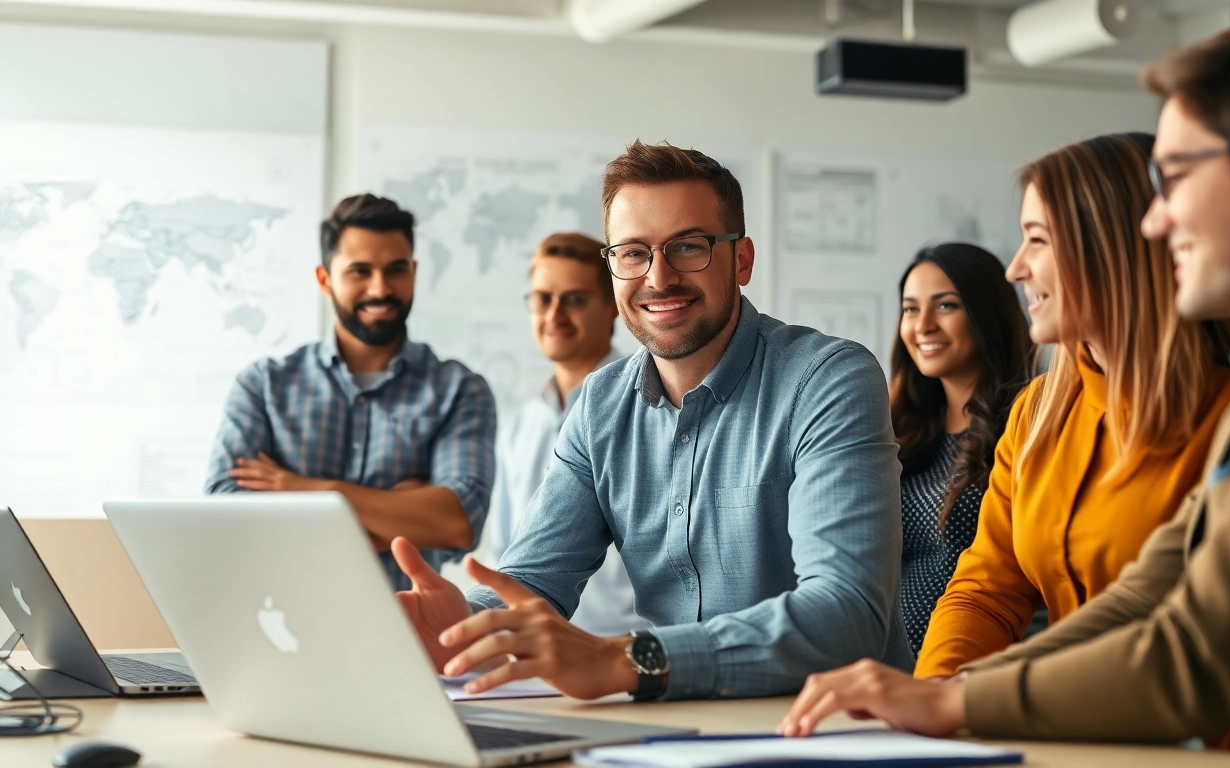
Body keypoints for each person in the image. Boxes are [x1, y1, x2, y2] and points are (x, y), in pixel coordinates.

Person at [779, 10, 1230, 764]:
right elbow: (1145, 595)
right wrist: (948, 693)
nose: (1156, 221)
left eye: (1175, 180)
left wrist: (956, 700)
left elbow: (1195, 654)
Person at [390, 140, 912, 703]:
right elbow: (533, 582)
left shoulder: (828, 379)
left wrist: (629, 660)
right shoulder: (601, 405)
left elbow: (847, 614)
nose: (659, 278)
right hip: (673, 728)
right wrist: (458, 628)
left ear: (742, 260)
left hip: (833, 731)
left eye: (688, 247)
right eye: (633, 253)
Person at [910, 132, 1230, 679]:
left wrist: (962, 701)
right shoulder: (1037, 412)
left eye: (1037, 240)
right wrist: (933, 697)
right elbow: (986, 590)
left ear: (1112, 250)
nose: (1015, 269)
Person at [204, 193, 496, 591]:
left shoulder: (459, 390)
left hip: (405, 635)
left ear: (413, 272)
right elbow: (225, 520)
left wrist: (306, 488)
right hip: (276, 627)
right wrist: (399, 510)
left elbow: (458, 521)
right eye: (360, 271)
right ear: (324, 280)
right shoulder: (263, 386)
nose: (380, 288)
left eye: (396, 270)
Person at [485, 232, 641, 636]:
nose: (555, 315)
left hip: (633, 651)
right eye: (543, 298)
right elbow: (506, 553)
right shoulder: (520, 426)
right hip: (536, 654)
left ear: (611, 307)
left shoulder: (653, 406)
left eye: (574, 299)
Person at [891, 244, 1032, 657]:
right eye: (911, 309)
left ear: (988, 314)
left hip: (973, 674)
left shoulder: (1026, 424)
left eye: (946, 305)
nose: (923, 326)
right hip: (885, 670)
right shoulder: (897, 428)